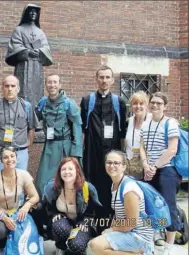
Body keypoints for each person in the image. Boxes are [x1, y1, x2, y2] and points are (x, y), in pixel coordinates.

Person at [80, 66, 127, 233]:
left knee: (110, 185)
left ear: (112, 80)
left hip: (112, 151)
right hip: (92, 152)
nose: (104, 80)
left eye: (108, 77)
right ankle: (91, 221)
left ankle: (107, 222)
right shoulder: (87, 101)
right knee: (91, 183)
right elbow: (83, 129)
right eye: (101, 77)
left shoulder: (119, 102)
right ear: (96, 79)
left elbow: (122, 132)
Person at [88, 150, 154, 255]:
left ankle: (142, 252)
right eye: (109, 162)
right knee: (103, 234)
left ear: (124, 166)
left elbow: (131, 223)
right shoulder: (115, 184)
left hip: (139, 235)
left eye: (116, 163)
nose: (111, 166)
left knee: (95, 245)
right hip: (129, 231)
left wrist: (112, 229)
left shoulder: (129, 188)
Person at [139, 92, 181, 255]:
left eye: (159, 103)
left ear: (165, 106)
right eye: (153, 103)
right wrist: (145, 164)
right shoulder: (146, 123)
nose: (155, 105)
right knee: (148, 206)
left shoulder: (170, 123)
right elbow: (142, 146)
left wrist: (154, 166)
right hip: (149, 168)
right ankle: (151, 238)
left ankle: (169, 245)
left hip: (167, 169)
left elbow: (172, 150)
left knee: (168, 206)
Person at [40, 157, 101, 255]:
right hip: (63, 223)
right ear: (59, 172)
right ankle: (62, 247)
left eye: (70, 169)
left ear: (77, 171)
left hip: (81, 223)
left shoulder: (86, 188)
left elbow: (92, 211)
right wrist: (54, 214)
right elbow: (47, 207)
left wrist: (85, 222)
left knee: (77, 245)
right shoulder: (52, 188)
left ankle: (78, 247)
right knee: (60, 227)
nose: (66, 172)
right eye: (63, 169)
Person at [35, 74, 82, 196]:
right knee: (42, 180)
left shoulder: (69, 104)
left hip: (65, 146)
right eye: (49, 82)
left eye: (55, 82)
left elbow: (77, 127)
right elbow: (34, 117)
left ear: (60, 84)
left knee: (67, 179)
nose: (52, 85)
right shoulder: (43, 103)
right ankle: (45, 206)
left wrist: (76, 152)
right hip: (49, 146)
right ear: (46, 85)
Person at [0, 146, 39, 249]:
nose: (10, 160)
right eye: (5, 157)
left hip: (17, 211)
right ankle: (4, 237)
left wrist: (26, 205)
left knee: (39, 208)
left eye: (12, 156)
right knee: (0, 232)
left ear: (16, 158)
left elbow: (35, 196)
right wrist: (4, 218)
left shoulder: (23, 174)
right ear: (1, 161)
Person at [5, 3, 53, 107]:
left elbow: (46, 47)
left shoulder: (40, 32)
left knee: (37, 93)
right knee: (23, 90)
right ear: (26, 13)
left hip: (37, 66)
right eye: (31, 11)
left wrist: (40, 51)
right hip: (23, 65)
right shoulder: (19, 30)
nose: (33, 13)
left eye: (35, 12)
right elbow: (15, 46)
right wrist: (27, 51)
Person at [0, 75, 36, 171]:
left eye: (13, 86)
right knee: (1, 182)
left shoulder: (27, 106)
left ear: (18, 88)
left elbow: (31, 128)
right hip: (1, 151)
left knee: (20, 182)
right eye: (7, 86)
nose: (10, 89)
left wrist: (28, 146)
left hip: (20, 152)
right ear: (2, 88)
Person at [125, 91, 152, 180]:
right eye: (135, 103)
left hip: (148, 166)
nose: (138, 106)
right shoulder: (129, 121)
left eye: (141, 103)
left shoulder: (152, 119)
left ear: (146, 105)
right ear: (131, 106)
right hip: (131, 165)